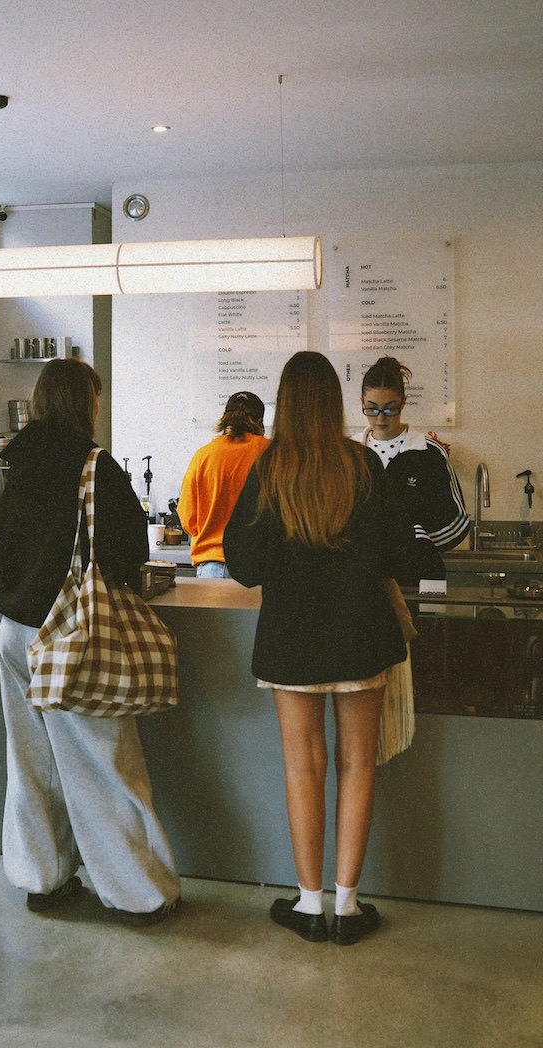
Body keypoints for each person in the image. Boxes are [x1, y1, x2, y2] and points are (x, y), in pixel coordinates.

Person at [223, 351, 417, 946]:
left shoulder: (269, 469)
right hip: (361, 636)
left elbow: (243, 565)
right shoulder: (364, 466)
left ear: (284, 403)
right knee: (358, 763)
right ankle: (350, 907)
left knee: (302, 764)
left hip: (292, 640)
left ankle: (309, 906)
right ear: (337, 402)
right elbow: (395, 556)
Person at [0, 358, 181, 926]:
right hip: (72, 634)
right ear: (84, 404)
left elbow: (2, 549)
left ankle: (42, 880)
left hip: (14, 633)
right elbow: (127, 554)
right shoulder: (95, 467)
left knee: (32, 765)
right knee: (105, 765)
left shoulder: (15, 462)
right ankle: (140, 893)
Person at [354, 355, 469, 576]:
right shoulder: (348, 451)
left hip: (415, 574)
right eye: (372, 408)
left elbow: (456, 521)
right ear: (362, 402)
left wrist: (416, 539)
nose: (380, 419)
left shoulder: (429, 453)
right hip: (362, 578)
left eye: (390, 409)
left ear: (403, 402)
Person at [177, 391, 269, 578]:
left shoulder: (203, 456)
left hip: (212, 567)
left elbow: (188, 520)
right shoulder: (269, 452)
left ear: (224, 418)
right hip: (257, 566)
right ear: (259, 422)